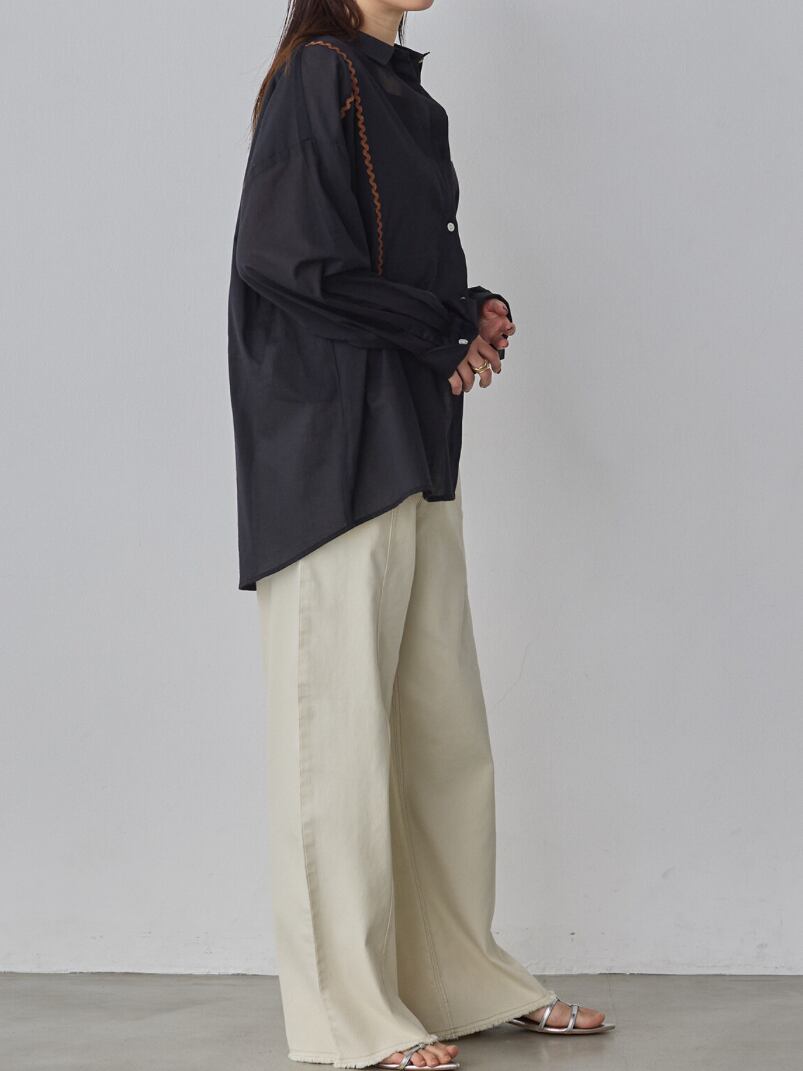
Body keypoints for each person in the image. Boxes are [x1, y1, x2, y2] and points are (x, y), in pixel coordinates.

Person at [227, 2, 612, 1067]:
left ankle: (456, 978)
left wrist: (466, 307)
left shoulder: (399, 92)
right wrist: (437, 328)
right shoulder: (318, 76)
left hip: (407, 443)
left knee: (439, 737)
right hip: (331, 459)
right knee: (336, 744)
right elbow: (284, 261)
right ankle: (348, 1017)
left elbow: (386, 266)